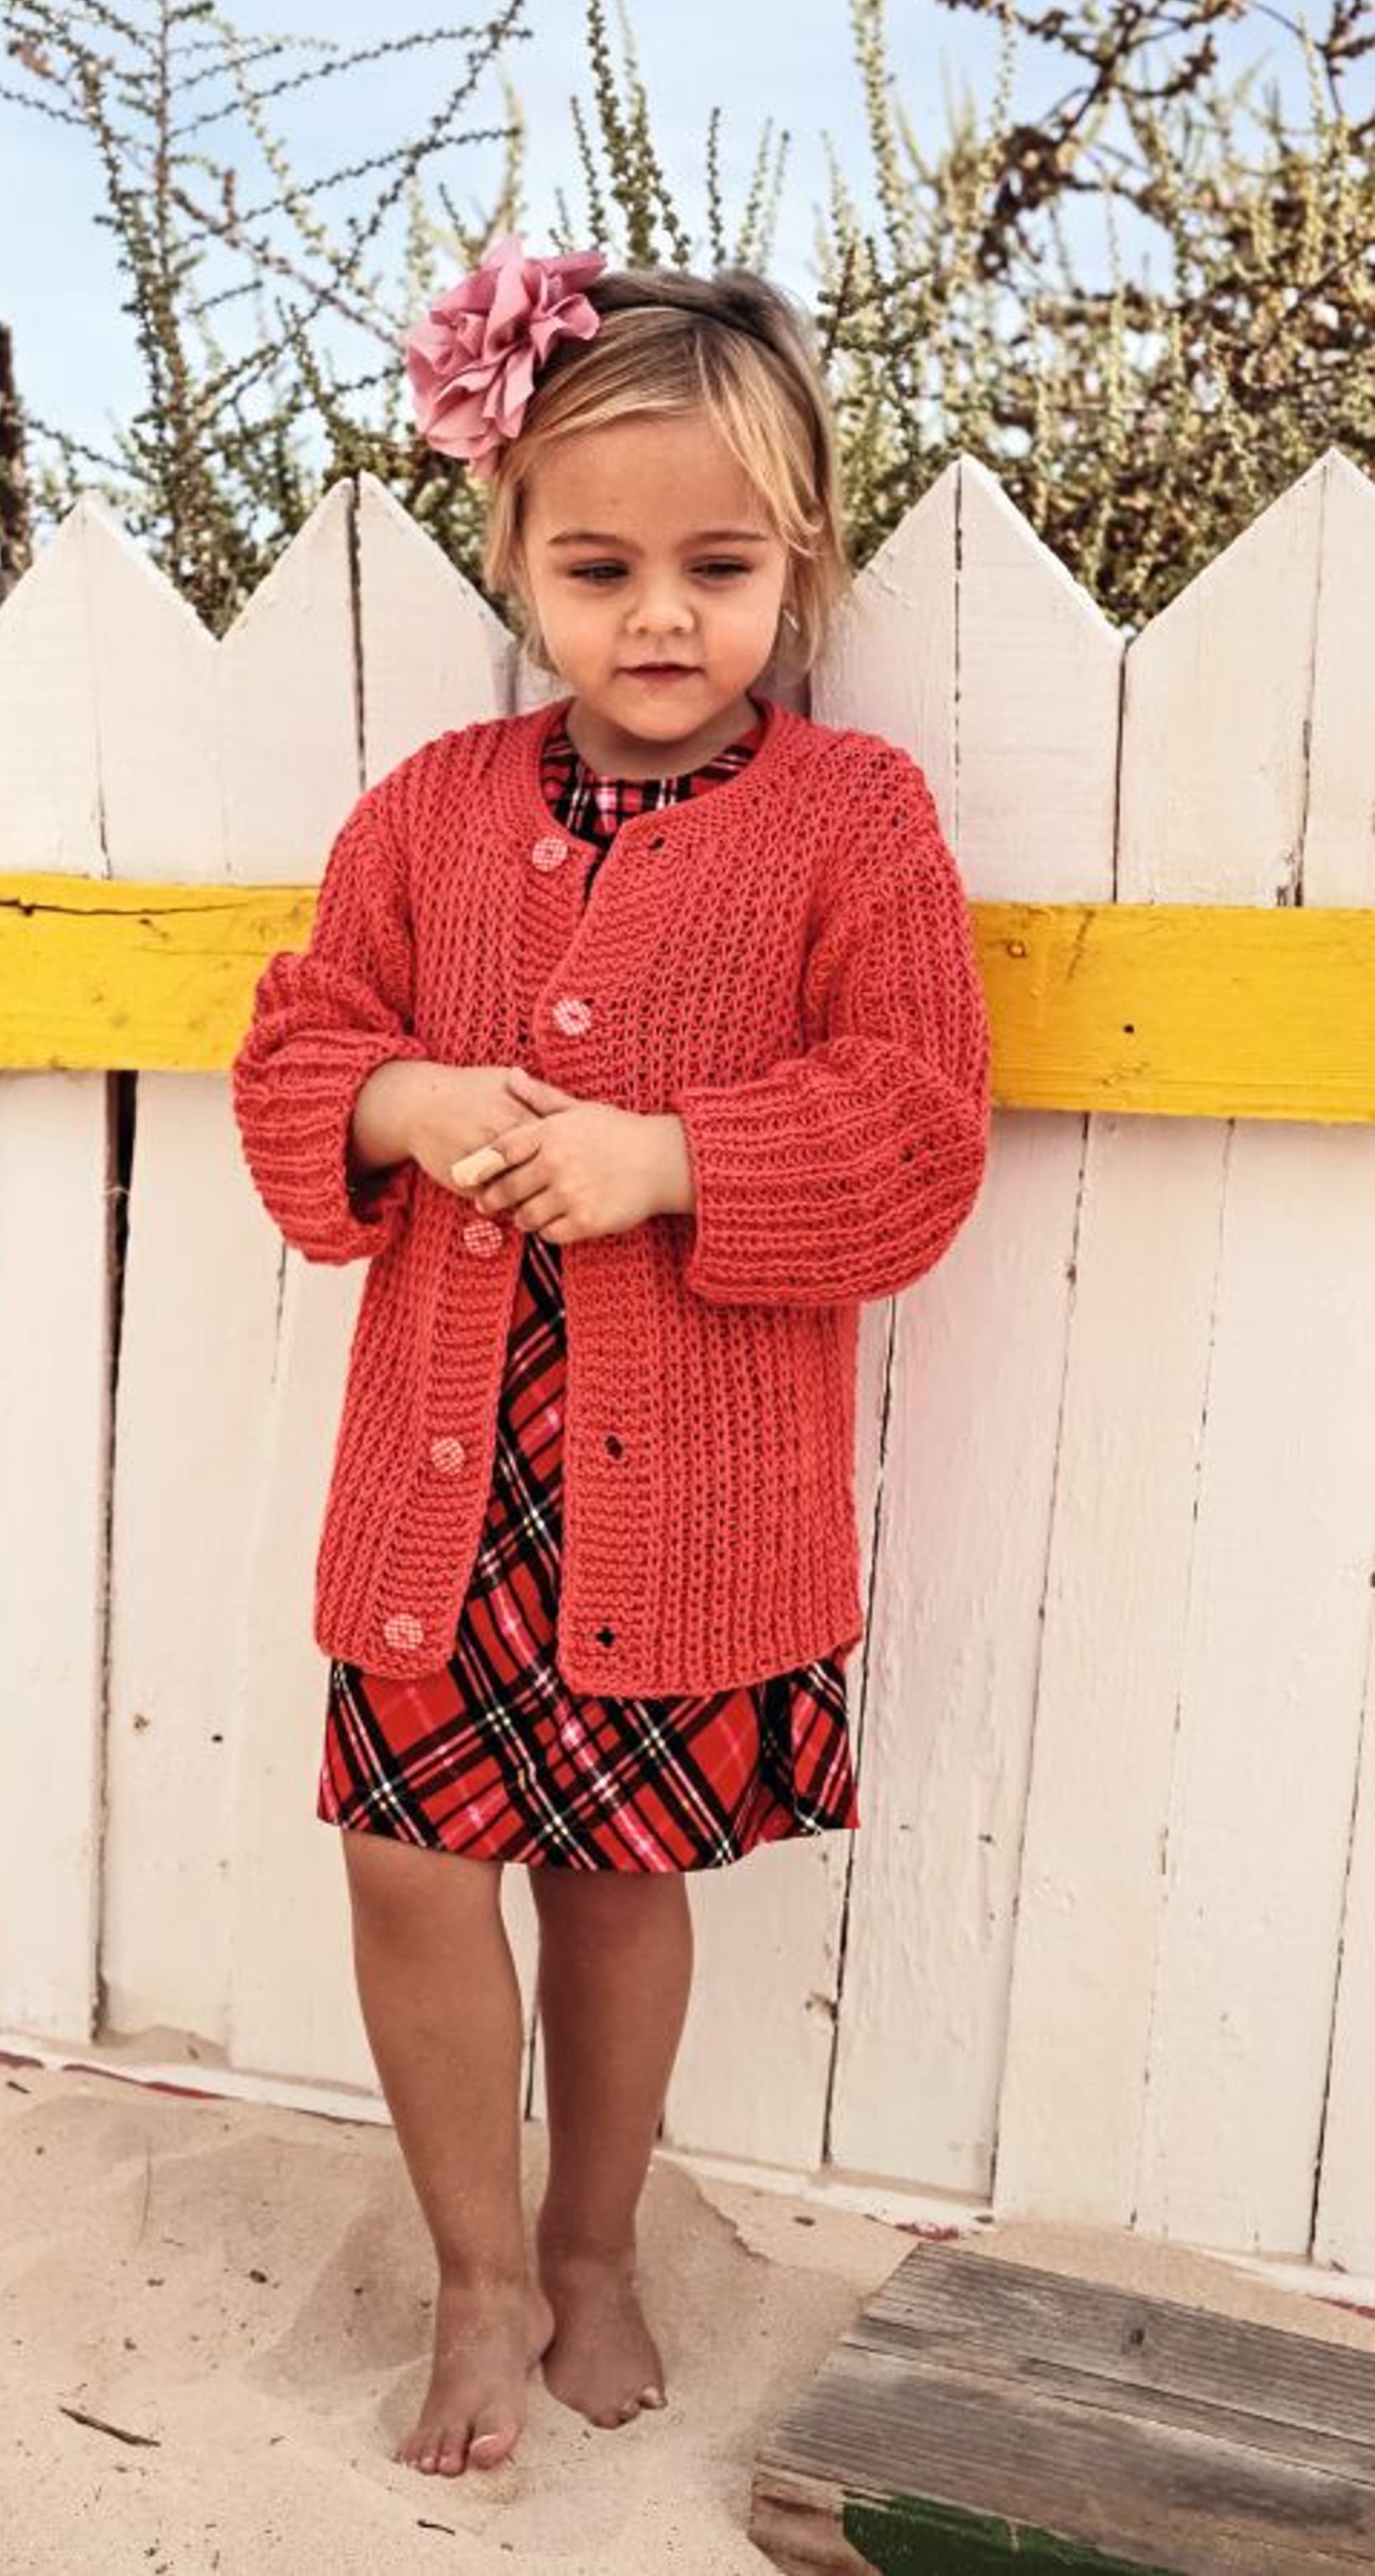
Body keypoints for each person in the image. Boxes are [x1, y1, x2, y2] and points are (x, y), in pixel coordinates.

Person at [229, 236, 992, 2481]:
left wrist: (673, 1157)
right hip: (445, 1480)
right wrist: (400, 1102)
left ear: (801, 561)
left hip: (684, 1493)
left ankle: (593, 2245)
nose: (661, 616)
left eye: (718, 567)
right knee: (403, 1858)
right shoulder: (431, 810)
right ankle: (471, 2277)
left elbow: (919, 1129)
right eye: (600, 567)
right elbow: (296, 1054)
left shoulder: (854, 822)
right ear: (518, 557)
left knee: (611, 1870)